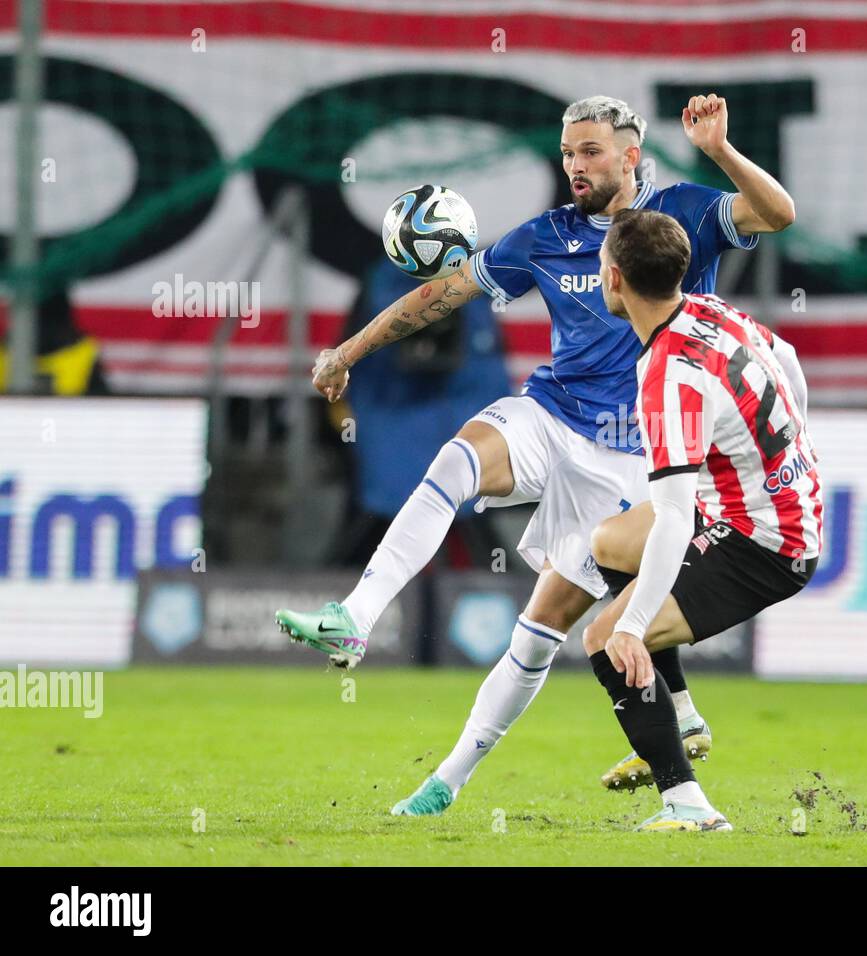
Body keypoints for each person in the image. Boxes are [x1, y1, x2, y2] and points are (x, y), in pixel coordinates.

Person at [274, 94, 797, 817]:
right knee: (457, 458)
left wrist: (720, 150)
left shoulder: (683, 215)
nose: (575, 167)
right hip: (552, 414)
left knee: (547, 627)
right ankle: (357, 616)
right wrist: (346, 354)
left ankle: (448, 778)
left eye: (589, 151)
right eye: (567, 154)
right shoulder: (545, 236)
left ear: (629, 155)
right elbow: (443, 292)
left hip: (637, 458)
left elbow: (776, 214)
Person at [582, 208, 822, 832]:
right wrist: (795, 443)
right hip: (775, 506)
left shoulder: (666, 375)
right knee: (608, 542)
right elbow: (787, 355)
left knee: (605, 642)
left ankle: (687, 806)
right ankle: (679, 714)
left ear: (613, 279)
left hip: (763, 544)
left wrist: (632, 626)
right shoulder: (711, 311)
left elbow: (672, 521)